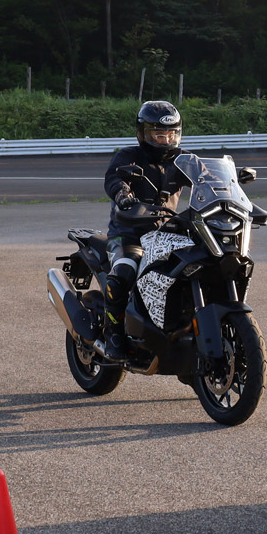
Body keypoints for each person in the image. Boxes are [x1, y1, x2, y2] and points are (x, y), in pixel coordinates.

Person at [100, 100, 186, 360]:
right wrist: (123, 194)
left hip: (166, 235)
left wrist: (228, 185)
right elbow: (114, 179)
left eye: (170, 134)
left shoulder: (183, 160)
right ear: (144, 134)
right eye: (159, 135)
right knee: (124, 272)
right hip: (128, 234)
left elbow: (207, 178)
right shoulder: (127, 157)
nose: (165, 140)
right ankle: (113, 333)